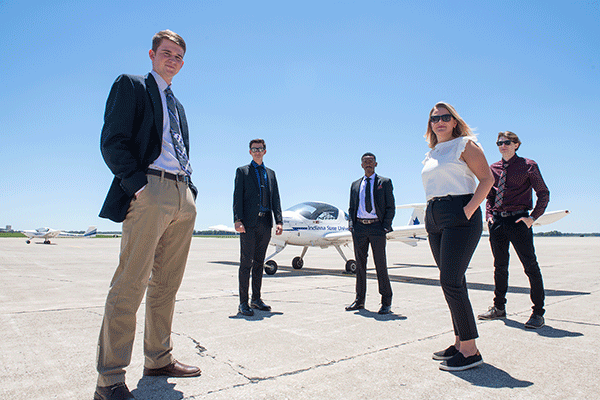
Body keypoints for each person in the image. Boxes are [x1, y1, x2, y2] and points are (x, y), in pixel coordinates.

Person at [95, 30, 201, 400]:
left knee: (166, 285)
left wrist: (189, 192)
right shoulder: (132, 86)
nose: (173, 59)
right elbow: (113, 140)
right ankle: (109, 379)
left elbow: (180, 148)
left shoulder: (179, 105)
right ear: (153, 54)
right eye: (166, 53)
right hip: (150, 190)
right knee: (130, 284)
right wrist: (138, 185)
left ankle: (158, 358)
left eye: (178, 56)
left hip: (181, 194)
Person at [421, 102, 494, 371]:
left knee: (450, 281)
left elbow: (487, 179)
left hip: (459, 215)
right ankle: (459, 341)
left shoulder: (465, 145)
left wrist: (468, 210)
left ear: (454, 121)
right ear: (430, 124)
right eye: (434, 118)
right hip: (435, 217)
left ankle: (471, 350)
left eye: (445, 117)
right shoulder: (432, 153)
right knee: (453, 282)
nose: (439, 121)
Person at [478, 131, 549, 329]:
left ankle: (538, 312)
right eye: (499, 143)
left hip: (519, 221)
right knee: (500, 267)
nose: (503, 146)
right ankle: (499, 307)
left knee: (530, 266)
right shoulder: (493, 168)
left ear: (516, 144)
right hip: (498, 223)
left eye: (507, 142)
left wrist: (532, 218)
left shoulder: (528, 166)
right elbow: (490, 196)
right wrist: (489, 217)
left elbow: (543, 193)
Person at [233, 139, 283, 316]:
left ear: (265, 151)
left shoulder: (271, 174)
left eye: (260, 149)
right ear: (250, 152)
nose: (257, 152)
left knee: (259, 263)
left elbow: (275, 198)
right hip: (248, 224)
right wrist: (237, 219)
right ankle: (242, 303)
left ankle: (256, 299)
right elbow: (237, 197)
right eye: (254, 149)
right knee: (246, 262)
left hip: (265, 223)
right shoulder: (243, 172)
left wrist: (279, 221)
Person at [346, 153, 395, 315]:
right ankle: (359, 300)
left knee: (380, 265)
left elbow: (390, 207)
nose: (368, 164)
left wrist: (385, 226)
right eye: (365, 161)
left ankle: (386, 302)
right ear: (361, 165)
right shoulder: (355, 185)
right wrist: (352, 226)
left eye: (371, 161)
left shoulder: (384, 183)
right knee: (360, 266)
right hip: (359, 228)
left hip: (377, 228)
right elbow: (352, 208)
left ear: (376, 164)